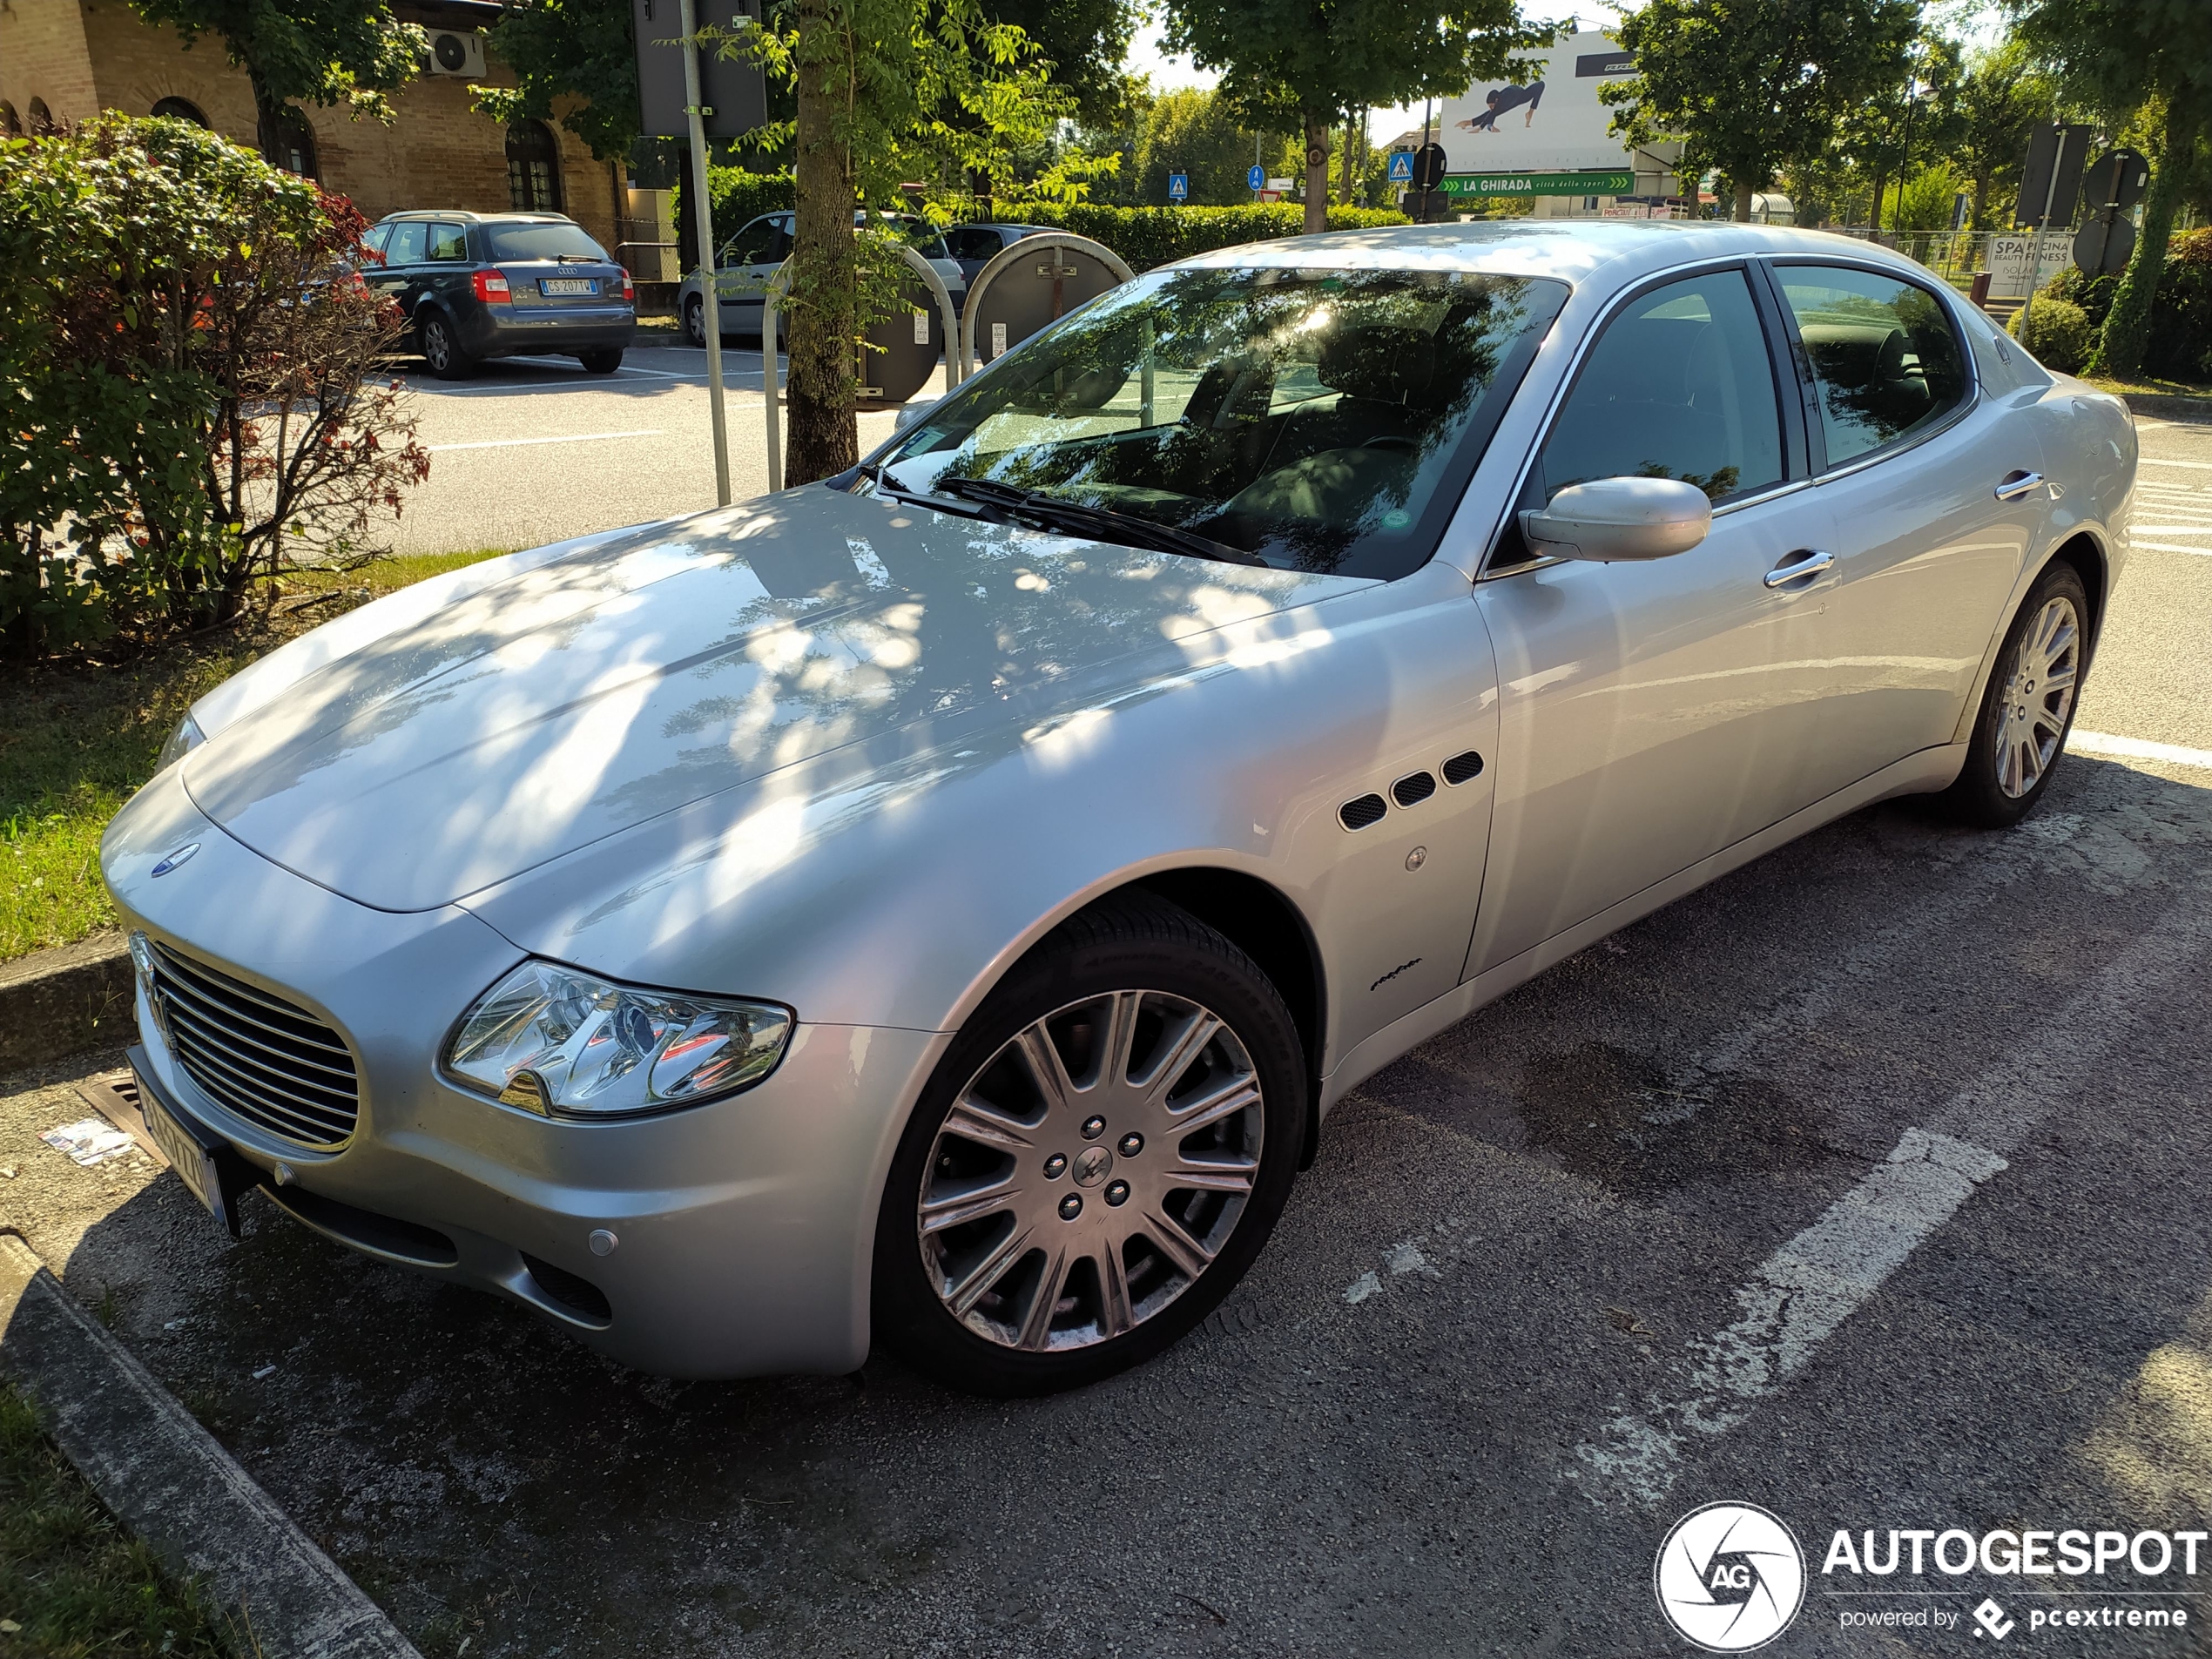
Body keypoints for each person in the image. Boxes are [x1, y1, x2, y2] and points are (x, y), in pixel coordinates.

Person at [1460, 81, 1544, 132]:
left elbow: (1493, 113)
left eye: (1491, 106)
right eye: (1490, 106)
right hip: (1514, 96)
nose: (1491, 108)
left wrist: (1480, 128)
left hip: (1521, 96)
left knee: (1541, 84)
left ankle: (1530, 114)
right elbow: (1493, 113)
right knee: (1495, 111)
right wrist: (1489, 126)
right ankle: (1468, 123)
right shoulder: (1499, 99)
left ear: (1496, 100)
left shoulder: (1502, 100)